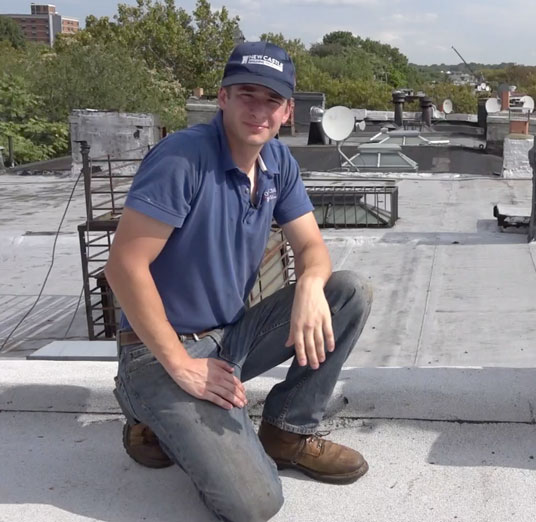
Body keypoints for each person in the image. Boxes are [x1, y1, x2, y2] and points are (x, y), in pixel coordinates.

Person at [105, 41, 372, 522]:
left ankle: (286, 431)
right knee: (255, 504)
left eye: (272, 100)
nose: (259, 110)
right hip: (159, 349)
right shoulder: (183, 159)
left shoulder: (277, 164)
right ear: (223, 98)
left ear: (288, 111)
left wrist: (311, 287)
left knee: (347, 292)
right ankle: (143, 404)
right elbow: (124, 267)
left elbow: (312, 247)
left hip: (230, 338)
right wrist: (183, 365)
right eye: (247, 94)